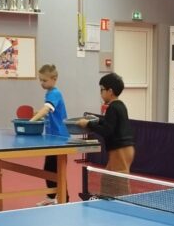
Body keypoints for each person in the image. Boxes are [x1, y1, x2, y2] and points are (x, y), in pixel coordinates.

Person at [77, 71, 134, 178]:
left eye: (102, 89)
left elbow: (107, 131)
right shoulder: (120, 105)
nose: (100, 93)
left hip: (120, 150)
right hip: (126, 149)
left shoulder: (112, 108)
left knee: (118, 183)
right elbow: (111, 124)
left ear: (110, 91)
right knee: (107, 180)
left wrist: (88, 123)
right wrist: (98, 120)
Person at [30, 63, 69, 204]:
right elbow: (49, 111)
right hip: (52, 138)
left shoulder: (55, 93)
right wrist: (38, 113)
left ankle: (64, 199)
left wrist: (32, 121)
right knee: (49, 169)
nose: (42, 83)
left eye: (44, 80)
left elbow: (46, 109)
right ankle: (52, 197)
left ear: (54, 79)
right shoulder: (49, 93)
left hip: (60, 138)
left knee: (57, 170)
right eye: (40, 80)